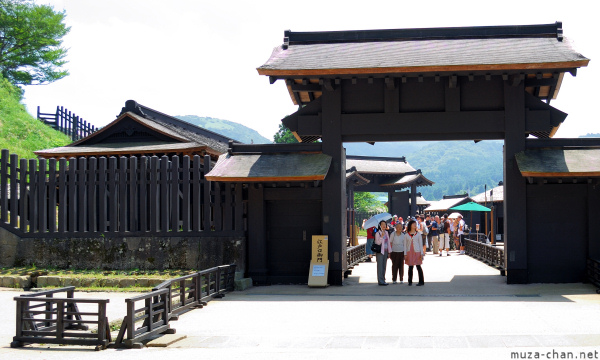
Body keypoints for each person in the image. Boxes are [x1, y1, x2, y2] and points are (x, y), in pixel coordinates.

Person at [404, 220, 425, 286]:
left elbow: (420, 244)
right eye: (413, 224)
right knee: (410, 266)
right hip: (409, 251)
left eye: (415, 224)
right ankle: (410, 281)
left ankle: (421, 281)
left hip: (417, 251)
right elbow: (405, 245)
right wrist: (405, 254)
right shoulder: (407, 235)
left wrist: (422, 253)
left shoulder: (418, 234)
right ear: (410, 225)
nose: (415, 225)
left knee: (418, 266)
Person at [374, 220, 392, 286]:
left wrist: (390, 252)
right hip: (380, 252)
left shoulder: (386, 232)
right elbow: (378, 242)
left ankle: (383, 279)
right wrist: (381, 236)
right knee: (380, 266)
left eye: (385, 224)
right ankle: (380, 280)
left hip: (386, 251)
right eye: (382, 224)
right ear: (380, 226)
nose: (384, 226)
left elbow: (388, 243)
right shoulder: (377, 233)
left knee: (384, 266)